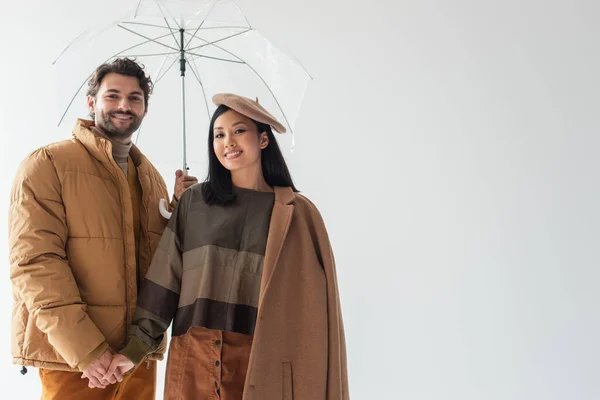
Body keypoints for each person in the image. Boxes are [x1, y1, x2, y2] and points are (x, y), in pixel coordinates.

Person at [101, 93, 350, 399]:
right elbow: (165, 281)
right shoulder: (194, 204)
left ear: (262, 139)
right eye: (219, 134)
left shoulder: (297, 214)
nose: (228, 142)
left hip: (262, 363)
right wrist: (135, 348)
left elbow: (315, 310)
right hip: (194, 362)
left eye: (239, 131)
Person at [8, 58, 198, 400]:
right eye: (113, 95)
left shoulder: (151, 178)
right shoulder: (48, 165)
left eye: (135, 98)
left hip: (135, 359)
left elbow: (162, 267)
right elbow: (35, 265)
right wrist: (87, 351)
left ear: (145, 108)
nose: (124, 105)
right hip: (74, 362)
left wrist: (182, 209)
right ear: (92, 102)